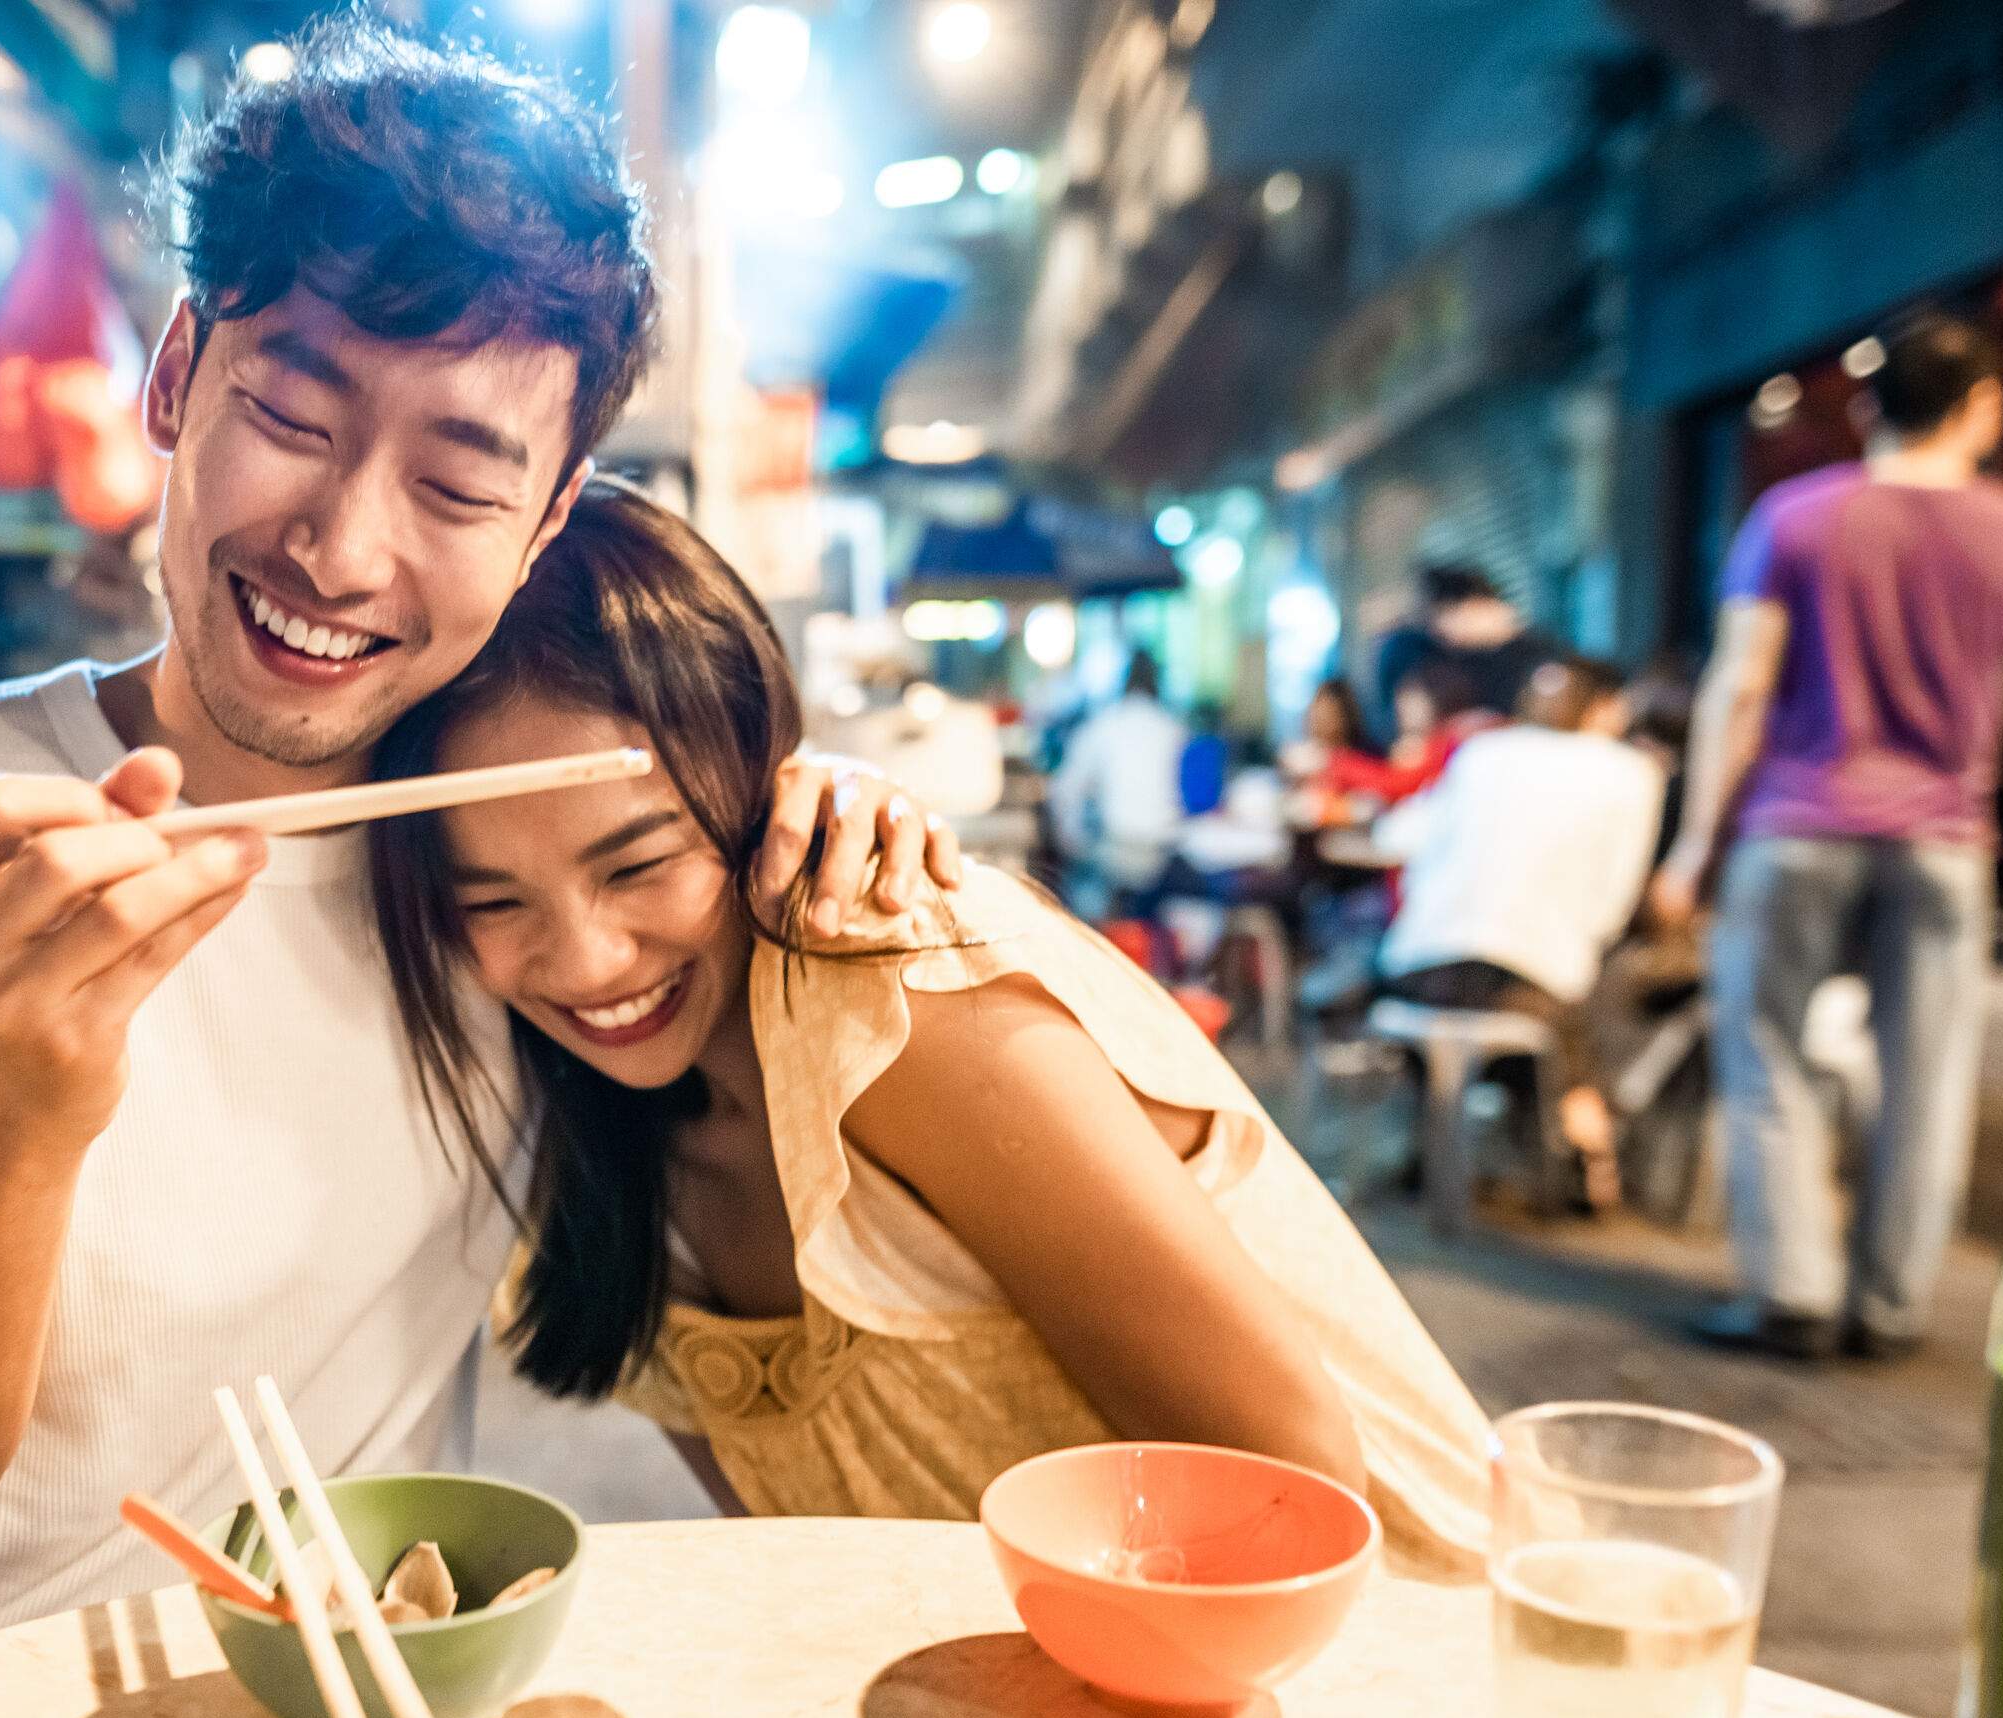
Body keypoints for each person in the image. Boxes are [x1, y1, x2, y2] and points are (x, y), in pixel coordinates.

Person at [0, 20, 955, 1647]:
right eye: (292, 417)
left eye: (455, 485)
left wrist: (824, 803)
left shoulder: (505, 858)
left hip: (376, 1717)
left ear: (550, 519)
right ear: (173, 377)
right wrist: (28, 1105)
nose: (343, 550)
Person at [366, 483, 1493, 1563]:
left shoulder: (897, 998)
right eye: (491, 902)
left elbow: (1289, 1489)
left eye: (642, 864)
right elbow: (822, 1553)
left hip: (1393, 1672)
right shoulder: (570, 1128)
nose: (586, 962)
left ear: (765, 785)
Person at [1650, 309, 2003, 1360]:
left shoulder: (1794, 518)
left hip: (1794, 828)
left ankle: (1792, 1291)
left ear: (1863, 404)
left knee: (1767, 1057)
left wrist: (1694, 844)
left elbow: (1740, 688)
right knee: (1928, 1075)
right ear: (1985, 405)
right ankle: (1891, 1304)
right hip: (1944, 842)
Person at [1372, 657, 1666, 1207]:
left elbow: (1401, 837)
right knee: (1588, 1019)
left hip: (1416, 971)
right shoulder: (1630, 771)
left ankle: (1432, 1155)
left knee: (1468, 1020)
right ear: (1605, 708)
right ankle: (1584, 1175)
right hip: (1532, 983)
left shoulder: (1482, 754)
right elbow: (1613, 904)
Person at [1045, 648, 1187, 909]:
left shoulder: (1103, 724)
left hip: (1113, 852)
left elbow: (1065, 790)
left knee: (1077, 903)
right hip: (1166, 853)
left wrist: (1071, 840)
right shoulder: (1174, 728)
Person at [1372, 563, 1560, 724]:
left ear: (1475, 603)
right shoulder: (1427, 653)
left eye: (1442, 614)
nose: (1439, 631)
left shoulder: (1538, 658)